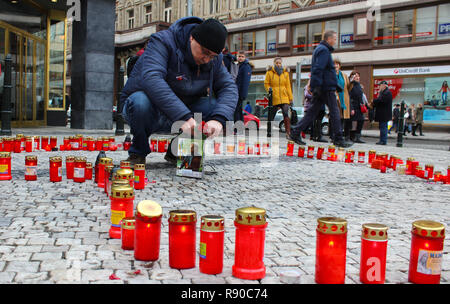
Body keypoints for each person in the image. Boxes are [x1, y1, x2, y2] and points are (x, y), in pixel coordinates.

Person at [120, 17, 238, 166]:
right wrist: (183, 116)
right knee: (140, 102)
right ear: (191, 38)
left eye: (212, 56)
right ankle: (138, 152)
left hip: (183, 111)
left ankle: (177, 150)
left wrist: (218, 119)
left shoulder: (214, 59)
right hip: (148, 108)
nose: (207, 59)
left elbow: (229, 87)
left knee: (214, 107)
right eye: (204, 52)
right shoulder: (163, 41)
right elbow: (152, 79)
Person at [290, 30, 352, 148]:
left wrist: (332, 85)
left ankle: (295, 132)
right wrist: (316, 86)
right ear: (329, 39)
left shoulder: (321, 49)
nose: (335, 41)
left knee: (312, 112)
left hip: (323, 86)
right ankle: (338, 138)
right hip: (325, 88)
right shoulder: (324, 50)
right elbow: (318, 69)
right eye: (334, 38)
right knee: (334, 112)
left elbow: (323, 70)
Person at [264, 57, 296, 140]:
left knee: (286, 113)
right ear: (274, 63)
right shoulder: (269, 72)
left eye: (280, 63)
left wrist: (290, 98)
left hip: (284, 96)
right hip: (274, 96)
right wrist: (270, 90)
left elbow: (288, 86)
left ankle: (288, 133)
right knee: (271, 115)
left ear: (281, 63)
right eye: (277, 63)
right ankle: (269, 132)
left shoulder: (285, 73)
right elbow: (266, 83)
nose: (278, 64)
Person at [334, 58, 352, 143]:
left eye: (337, 64)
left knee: (345, 118)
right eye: (334, 64)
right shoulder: (331, 74)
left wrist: (352, 82)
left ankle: (345, 136)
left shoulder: (344, 75)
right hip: (335, 98)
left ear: (339, 66)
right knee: (337, 118)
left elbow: (348, 86)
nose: (335, 65)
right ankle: (336, 136)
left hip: (344, 98)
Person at [234, 50, 252, 125]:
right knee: (238, 110)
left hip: (240, 93)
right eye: (239, 56)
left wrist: (243, 95)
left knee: (237, 110)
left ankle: (237, 128)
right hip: (236, 91)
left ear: (245, 57)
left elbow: (245, 82)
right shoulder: (238, 65)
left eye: (242, 56)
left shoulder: (246, 67)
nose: (240, 58)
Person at [348, 70, 367, 143]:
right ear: (352, 77)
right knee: (349, 122)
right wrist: (351, 108)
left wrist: (364, 105)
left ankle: (357, 137)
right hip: (353, 106)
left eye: (358, 76)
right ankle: (349, 136)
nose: (357, 77)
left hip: (359, 107)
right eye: (355, 76)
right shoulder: (350, 85)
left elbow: (361, 96)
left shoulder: (359, 85)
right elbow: (348, 97)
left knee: (361, 120)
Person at [372, 80, 392, 145]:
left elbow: (381, 100)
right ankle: (382, 140)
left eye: (380, 86)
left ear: (384, 86)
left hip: (384, 114)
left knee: (383, 127)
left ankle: (383, 140)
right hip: (383, 114)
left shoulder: (386, 93)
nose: (379, 87)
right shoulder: (383, 92)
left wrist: (374, 100)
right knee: (382, 127)